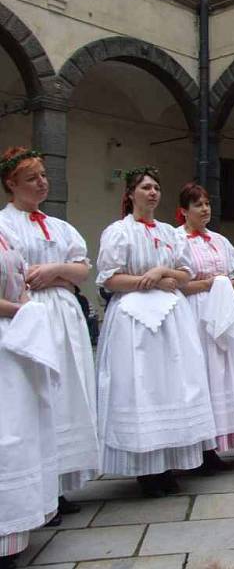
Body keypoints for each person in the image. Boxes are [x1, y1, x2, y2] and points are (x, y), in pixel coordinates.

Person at [95, 167, 216, 497]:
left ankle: (168, 463)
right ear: (131, 193)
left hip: (170, 318)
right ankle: (145, 469)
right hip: (134, 318)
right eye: (146, 187)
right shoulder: (119, 232)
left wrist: (163, 271)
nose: (152, 193)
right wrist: (145, 281)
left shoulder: (169, 232)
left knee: (171, 386)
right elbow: (109, 277)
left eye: (157, 188)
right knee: (142, 386)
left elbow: (186, 272)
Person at [0, 147, 99, 522]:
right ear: (12, 184)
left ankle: (60, 482)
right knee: (40, 397)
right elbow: (18, 272)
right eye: (32, 178)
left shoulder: (58, 226)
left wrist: (56, 270)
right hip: (30, 315)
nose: (42, 182)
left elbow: (81, 270)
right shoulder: (5, 224)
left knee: (68, 391)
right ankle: (40, 486)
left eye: (43, 175)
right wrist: (62, 274)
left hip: (63, 313)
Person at [0, 231, 60, 569]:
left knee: (19, 432)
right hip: (9, 324)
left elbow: (22, 280)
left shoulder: (5, 237)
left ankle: (14, 530)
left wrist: (24, 306)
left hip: (13, 335)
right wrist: (21, 310)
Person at [175, 182, 234, 471]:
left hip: (220, 311)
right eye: (198, 205)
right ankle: (198, 444)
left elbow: (233, 275)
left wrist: (228, 283)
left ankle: (215, 443)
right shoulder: (177, 240)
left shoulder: (219, 240)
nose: (204, 209)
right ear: (184, 211)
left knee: (221, 374)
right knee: (200, 374)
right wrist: (210, 283)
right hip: (194, 310)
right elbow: (178, 281)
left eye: (207, 204)